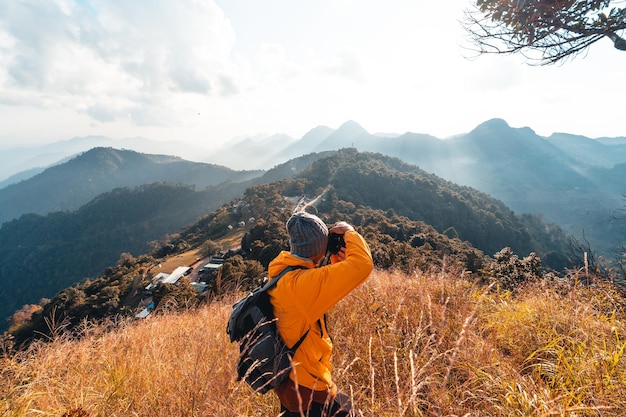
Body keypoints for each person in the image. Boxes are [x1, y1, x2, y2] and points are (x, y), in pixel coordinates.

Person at [267, 211, 374, 416]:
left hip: (289, 379)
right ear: (320, 247)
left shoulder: (283, 273)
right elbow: (363, 265)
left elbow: (310, 304)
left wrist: (335, 267)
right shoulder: (303, 285)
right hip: (308, 385)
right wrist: (350, 233)